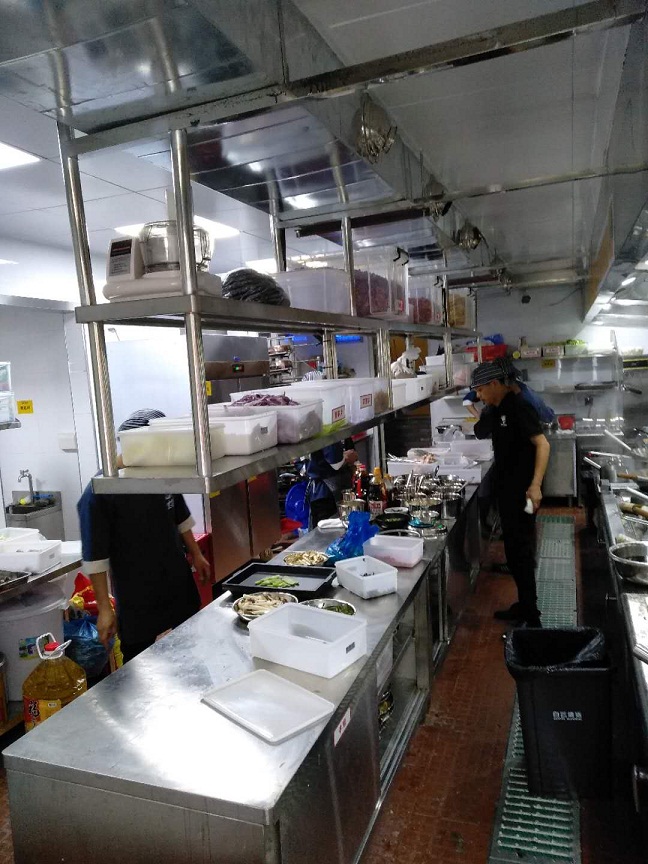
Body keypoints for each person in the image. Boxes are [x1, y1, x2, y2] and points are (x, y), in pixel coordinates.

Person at [77, 409, 212, 662]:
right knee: (141, 664)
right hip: (137, 592)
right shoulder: (100, 491)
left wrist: (196, 553)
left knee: (192, 649)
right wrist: (105, 608)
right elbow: (95, 556)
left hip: (177, 580)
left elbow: (179, 515)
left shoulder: (159, 474)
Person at [471, 362, 550, 627]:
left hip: (524, 491)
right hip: (507, 490)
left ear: (495, 384)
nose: (479, 395)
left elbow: (543, 444)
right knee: (514, 551)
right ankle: (525, 605)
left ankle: (532, 617)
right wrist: (482, 407)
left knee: (521, 550)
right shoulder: (497, 408)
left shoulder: (519, 406)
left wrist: (536, 485)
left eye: (481, 390)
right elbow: (480, 431)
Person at [306, 441, 358, 527]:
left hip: (337, 487)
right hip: (325, 492)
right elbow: (335, 462)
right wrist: (347, 457)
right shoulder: (328, 434)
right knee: (326, 530)